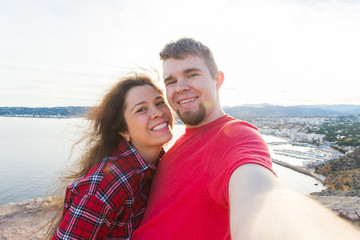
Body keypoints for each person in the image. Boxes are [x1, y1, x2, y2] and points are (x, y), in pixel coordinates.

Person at [131, 38, 360, 239]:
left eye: (191, 74)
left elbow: (263, 200)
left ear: (217, 79)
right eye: (170, 81)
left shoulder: (236, 136)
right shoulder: (177, 142)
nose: (180, 87)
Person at [48, 73, 173, 239]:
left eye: (160, 102)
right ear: (123, 130)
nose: (157, 112)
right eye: (141, 109)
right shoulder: (103, 186)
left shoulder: (158, 164)